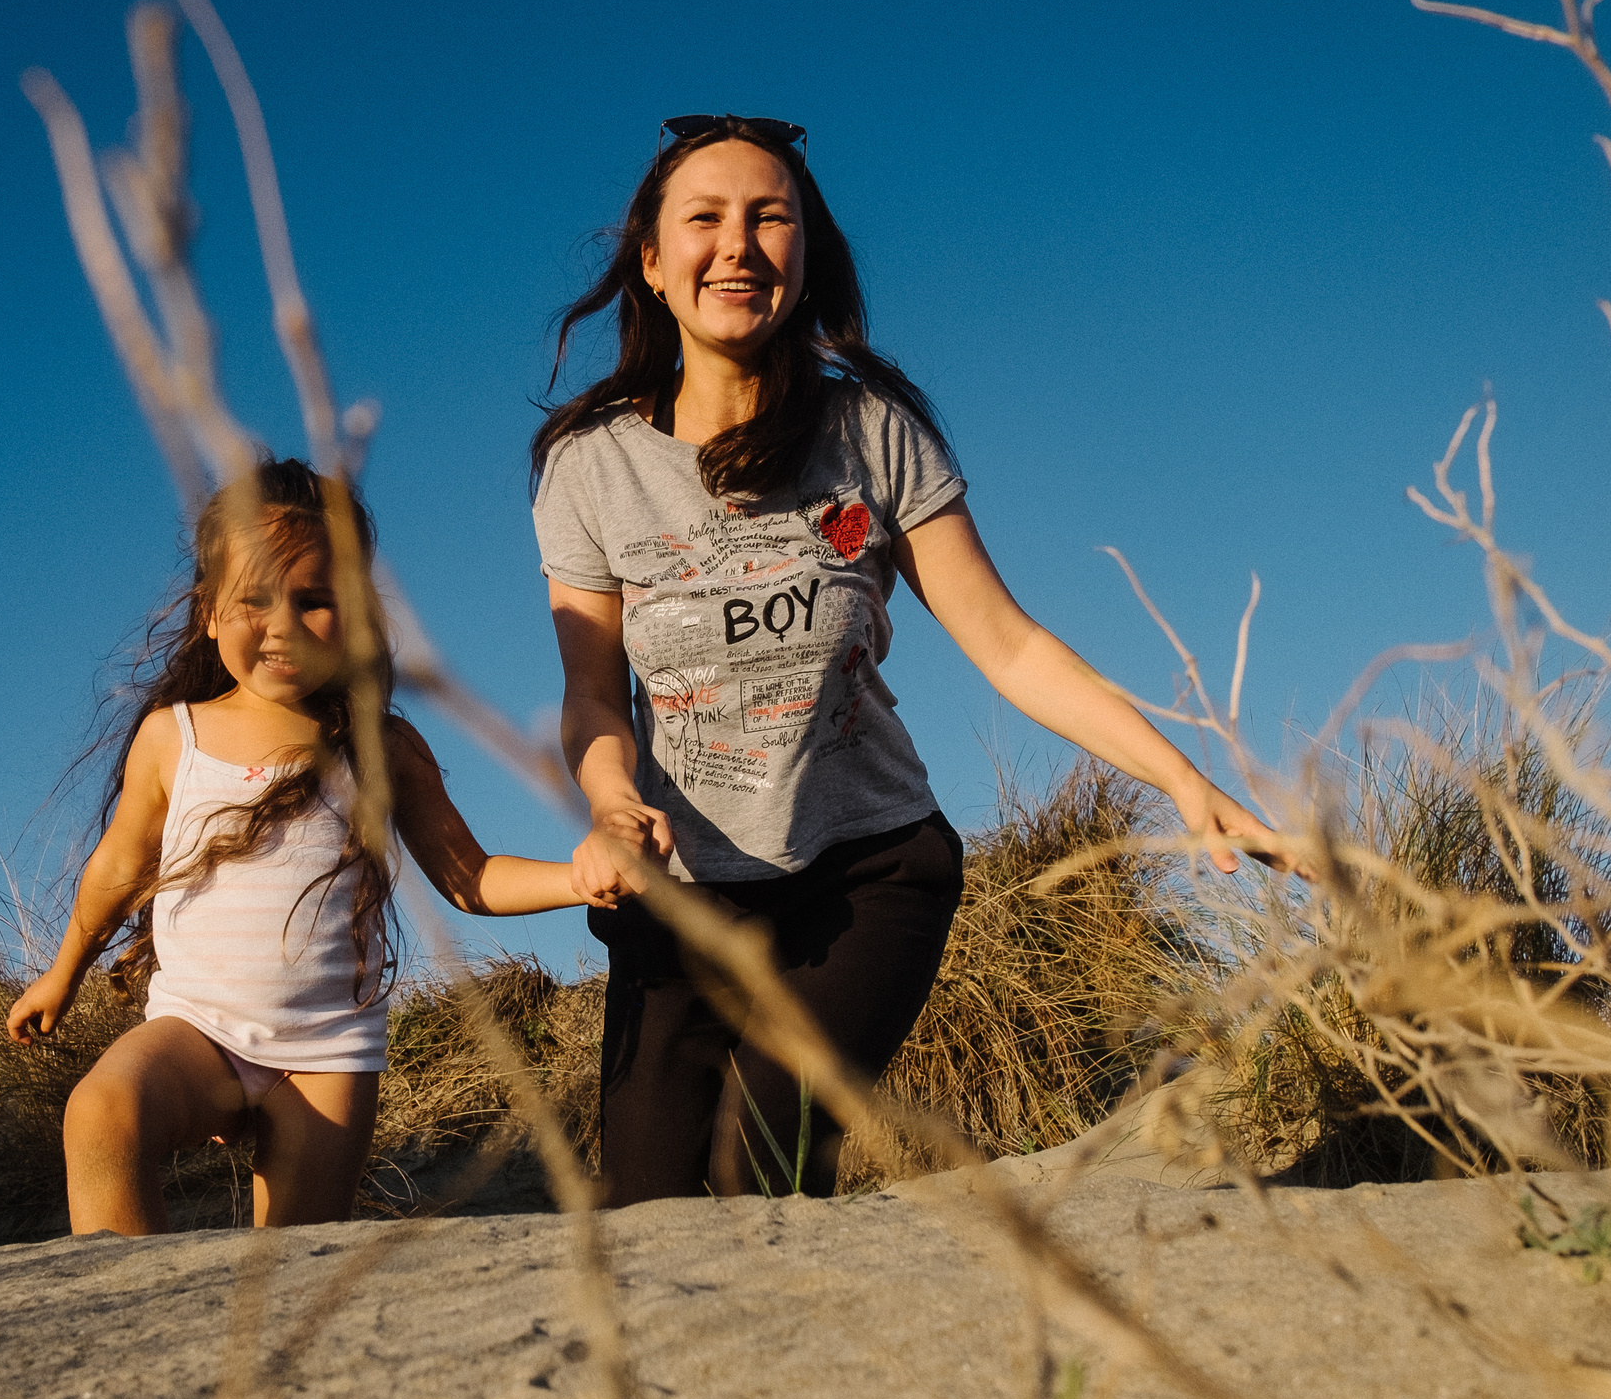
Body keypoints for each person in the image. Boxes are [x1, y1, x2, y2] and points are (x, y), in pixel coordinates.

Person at [533, 114, 1286, 1207]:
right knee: (643, 1208)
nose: (737, 245)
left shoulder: (872, 434)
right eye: (704, 219)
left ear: (807, 255)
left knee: (761, 1167)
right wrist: (610, 801)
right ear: (652, 262)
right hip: (680, 890)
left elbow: (1008, 643)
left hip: (865, 873)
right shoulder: (590, 466)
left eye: (769, 218)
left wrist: (1182, 778)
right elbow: (595, 695)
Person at [10, 458, 603, 1233]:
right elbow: (119, 867)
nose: (282, 624)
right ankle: (129, 1298)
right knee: (100, 1113)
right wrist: (63, 973)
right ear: (209, 613)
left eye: (313, 600)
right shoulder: (174, 737)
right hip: (197, 1028)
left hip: (326, 1057)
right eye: (254, 599)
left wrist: (581, 877)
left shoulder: (381, 747)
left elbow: (473, 875)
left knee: (292, 1264)